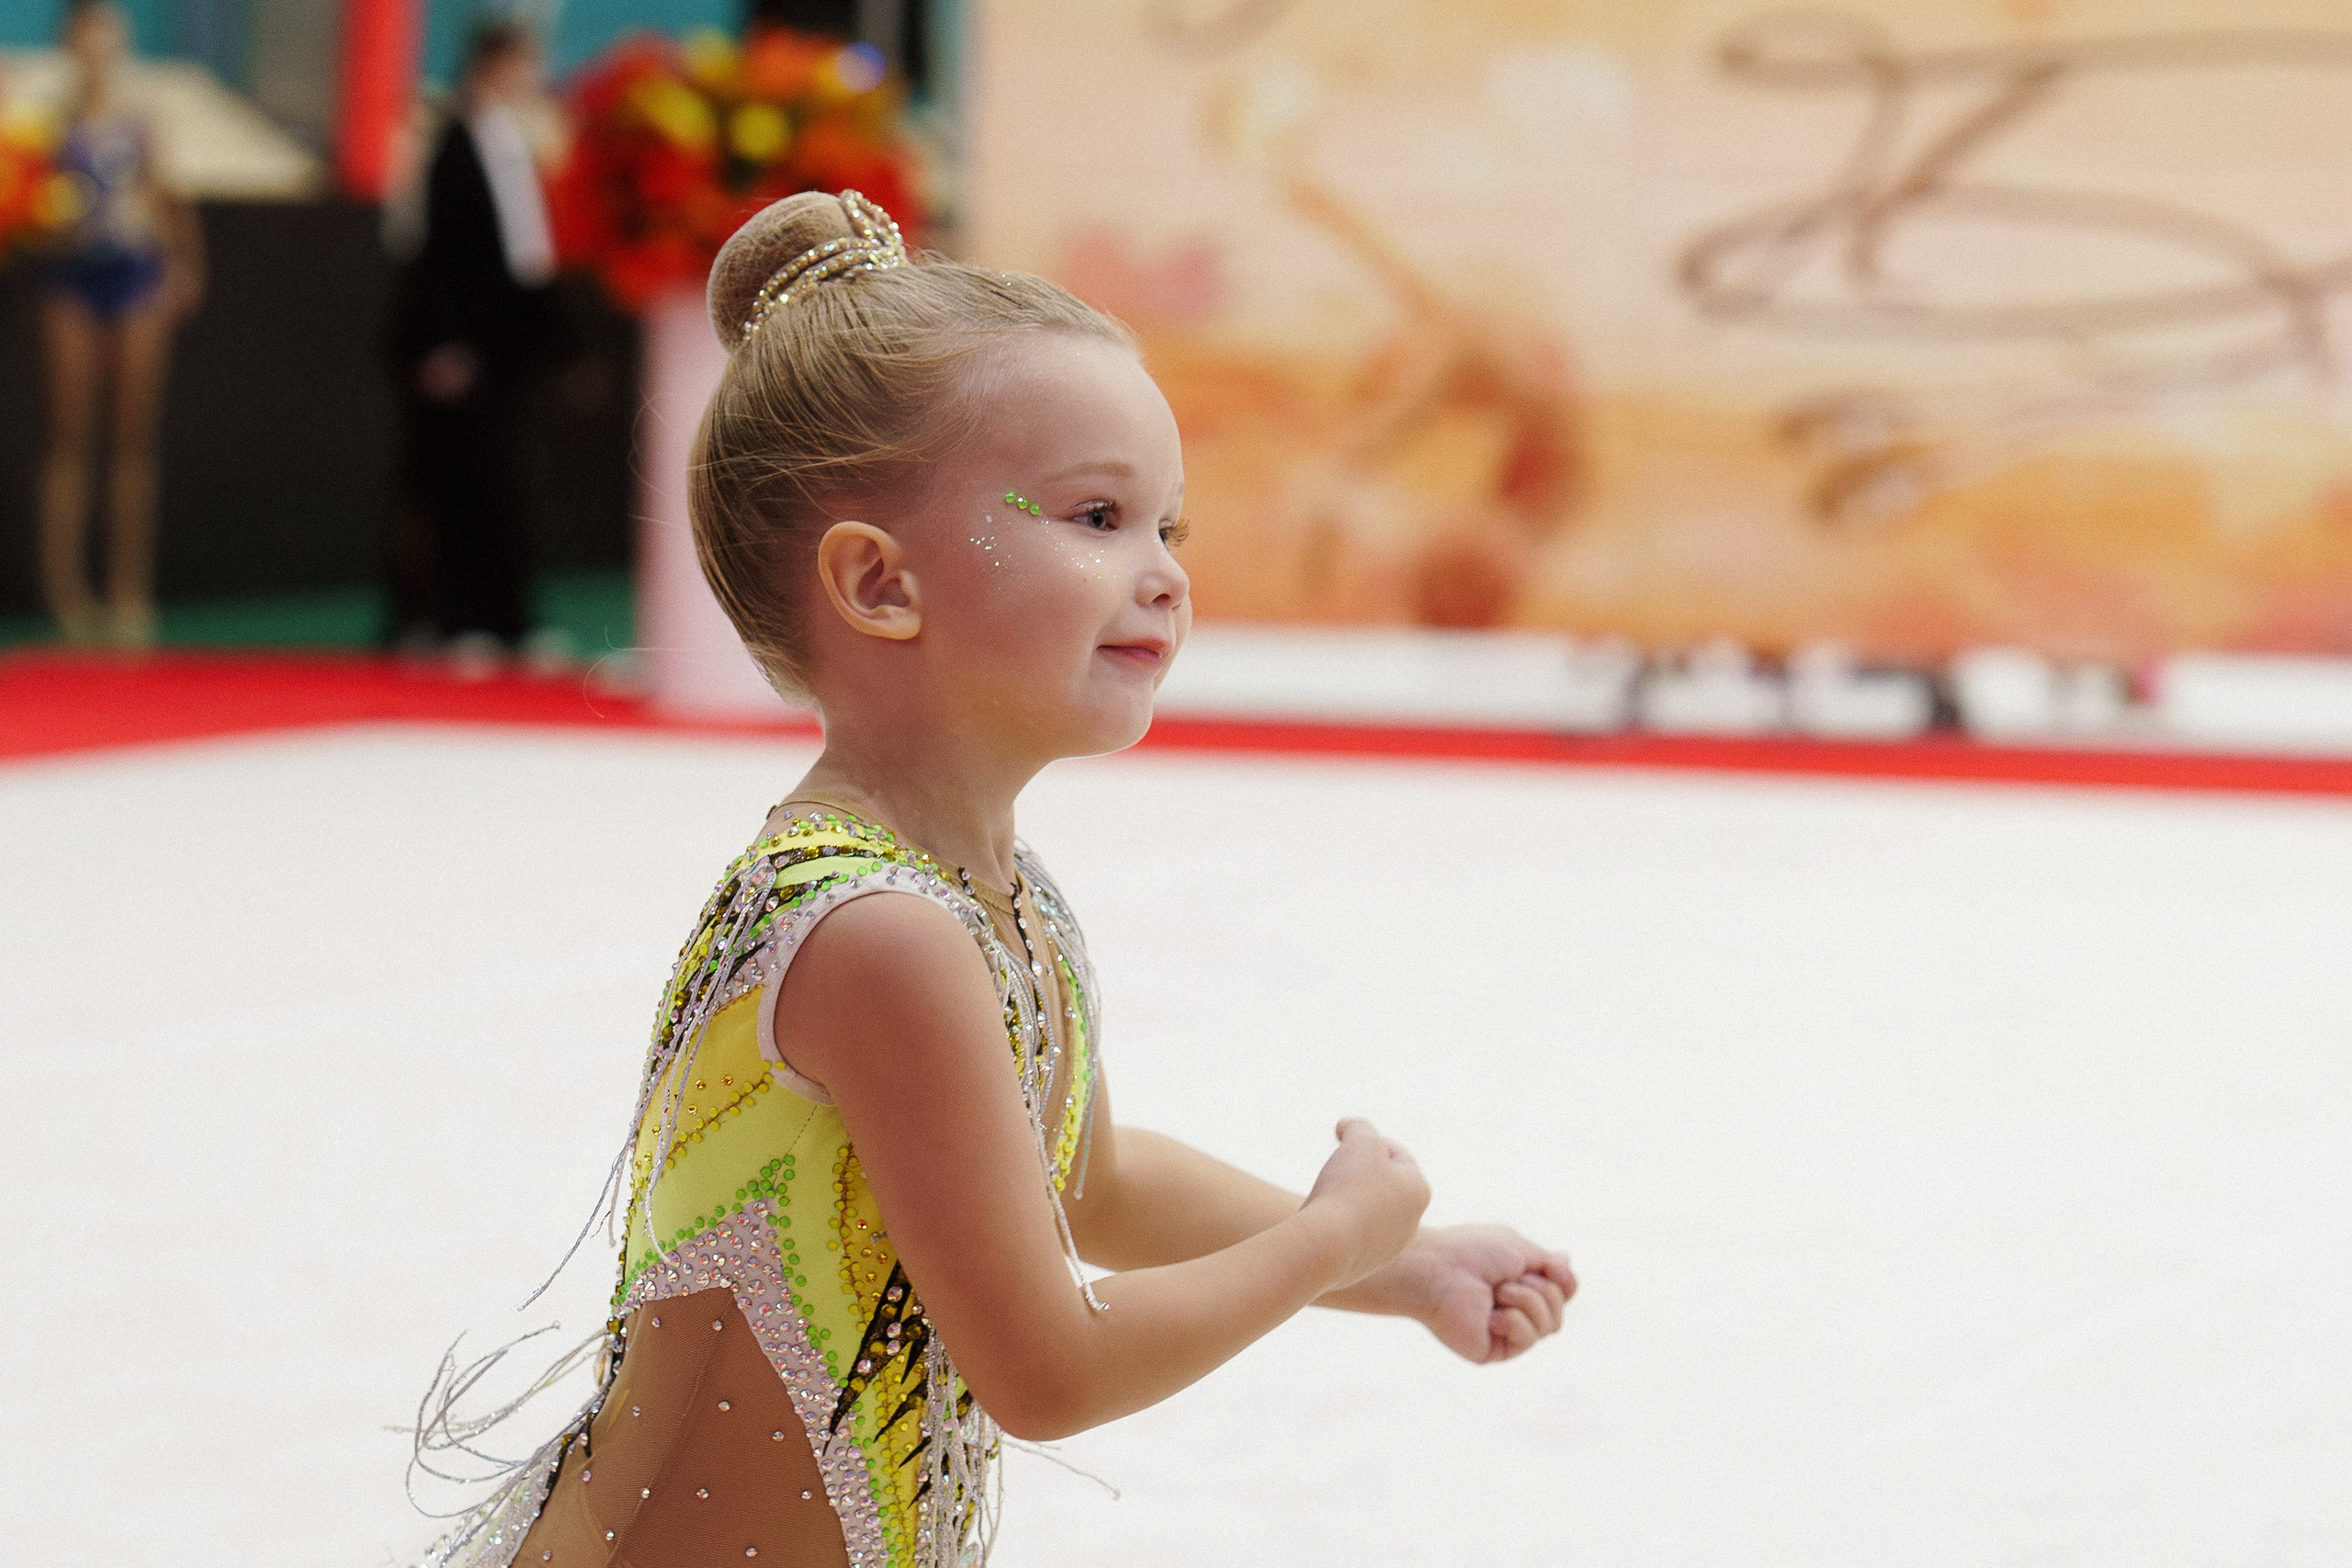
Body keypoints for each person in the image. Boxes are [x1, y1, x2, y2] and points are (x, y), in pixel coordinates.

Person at [414, 191, 1576, 1568]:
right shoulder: (876, 932)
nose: (1164, 576)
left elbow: (1094, 1184)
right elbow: (1048, 1367)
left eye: (1170, 528)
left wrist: (1407, 1263)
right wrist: (1328, 1238)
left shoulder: (997, 895)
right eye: (1098, 515)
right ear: (879, 583)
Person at [386, 21, 570, 667]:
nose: (535, 78)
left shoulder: (512, 140)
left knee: (502, 484)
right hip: (461, 347)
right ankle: (450, 619)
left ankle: (509, 620)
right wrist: (444, 343)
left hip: (504, 346)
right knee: (456, 484)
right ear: (494, 66)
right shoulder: (451, 141)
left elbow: (526, 251)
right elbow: (434, 252)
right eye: (525, 65)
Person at [31, 0, 203, 649]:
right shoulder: (49, 122)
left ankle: (130, 589)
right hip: (69, 276)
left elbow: (167, 193)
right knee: (68, 436)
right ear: (70, 45)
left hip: (134, 273)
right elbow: (27, 201)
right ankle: (66, 592)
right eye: (85, 37)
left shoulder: (139, 117)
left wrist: (186, 262)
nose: (96, 49)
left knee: (132, 441)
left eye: (106, 36)